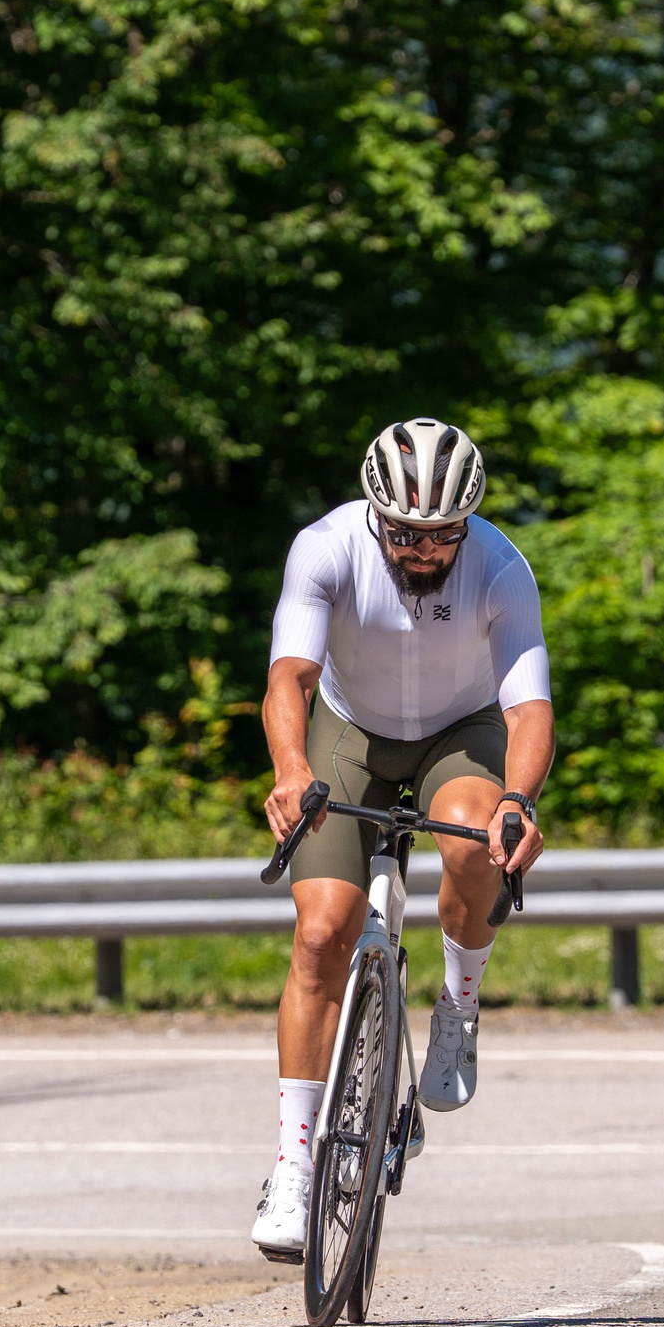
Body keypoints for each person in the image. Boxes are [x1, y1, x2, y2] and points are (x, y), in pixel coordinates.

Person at [251, 417, 552, 1262]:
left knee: (472, 843)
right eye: (406, 534)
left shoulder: (502, 566)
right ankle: (294, 1166)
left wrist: (518, 801)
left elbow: (529, 708)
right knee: (321, 932)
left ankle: (458, 1001)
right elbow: (289, 678)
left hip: (460, 731)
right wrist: (289, 770)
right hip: (348, 734)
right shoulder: (326, 549)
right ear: (375, 513)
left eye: (443, 535)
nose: (424, 551)